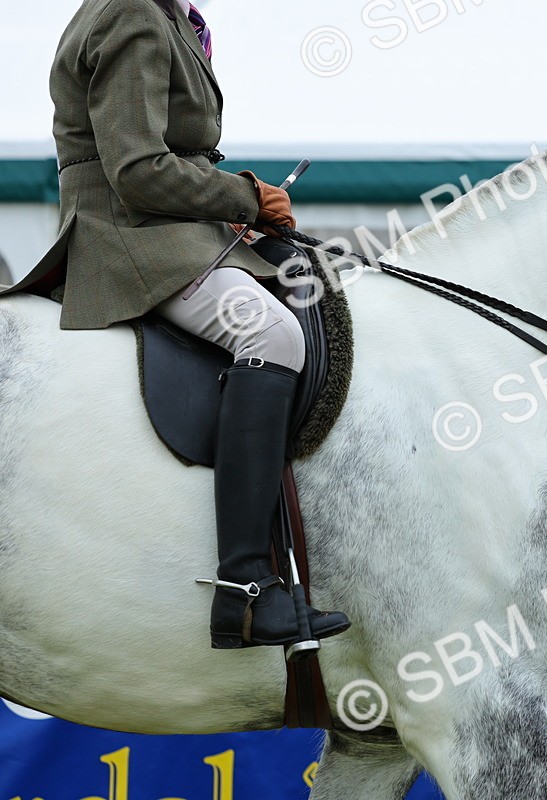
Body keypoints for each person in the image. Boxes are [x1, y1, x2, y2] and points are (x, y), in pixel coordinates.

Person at [3, 0, 349, 651]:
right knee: (270, 334)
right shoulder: (132, 12)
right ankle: (246, 588)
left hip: (178, 229)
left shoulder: (166, 14)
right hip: (129, 238)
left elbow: (175, 155)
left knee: (312, 279)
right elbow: (136, 173)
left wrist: (240, 211)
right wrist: (245, 196)